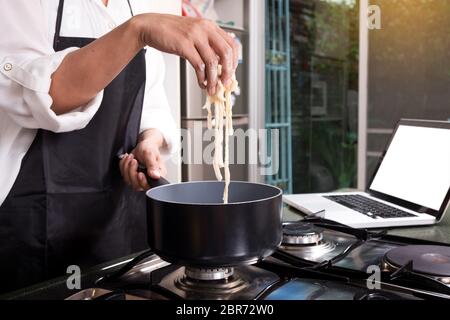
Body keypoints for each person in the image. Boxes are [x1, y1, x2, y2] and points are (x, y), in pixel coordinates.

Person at [0, 0, 238, 294]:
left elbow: (150, 100)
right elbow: (35, 93)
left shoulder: (133, 5)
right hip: (32, 226)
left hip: (118, 221)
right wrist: (137, 30)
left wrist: (149, 140)